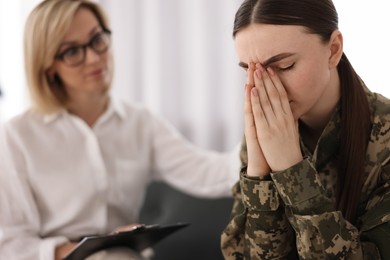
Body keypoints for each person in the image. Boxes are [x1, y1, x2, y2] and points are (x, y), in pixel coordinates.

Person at [0, 0, 241, 259]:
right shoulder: (16, 136)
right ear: (48, 66)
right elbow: (10, 243)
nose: (94, 58)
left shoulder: (140, 122)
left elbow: (208, 173)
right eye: (72, 52)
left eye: (96, 40)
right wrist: (84, 251)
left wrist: (262, 141)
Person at [221, 0, 390, 259]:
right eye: (249, 70)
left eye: (284, 66)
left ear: (333, 49)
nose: (263, 87)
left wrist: (292, 171)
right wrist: (258, 173)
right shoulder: (263, 133)